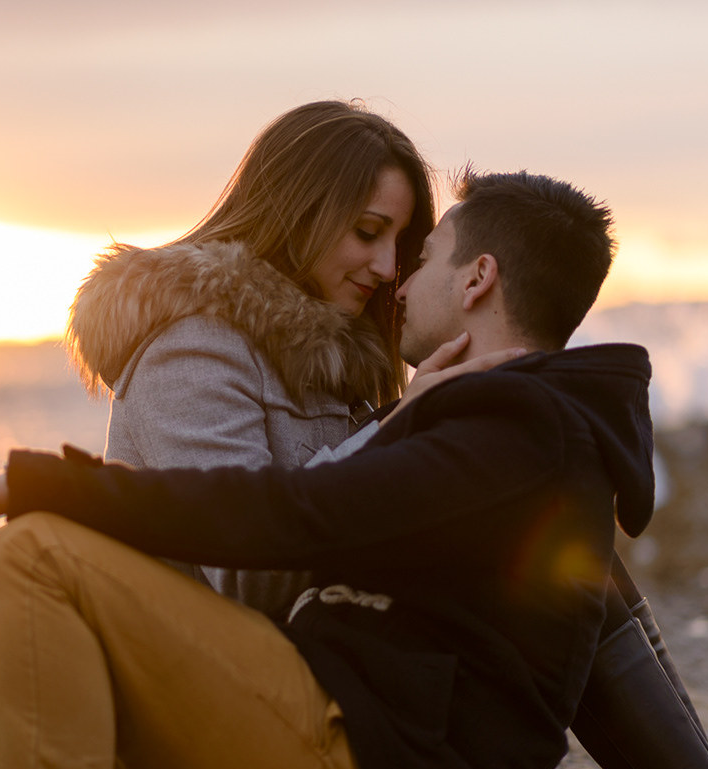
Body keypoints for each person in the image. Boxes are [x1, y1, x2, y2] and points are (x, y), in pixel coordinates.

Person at [0, 168, 657, 769]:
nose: (398, 280)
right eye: (379, 243)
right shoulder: (511, 423)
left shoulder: (520, 430)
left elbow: (293, 514)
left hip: (368, 768)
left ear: (478, 278)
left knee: (32, 552)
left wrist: (14, 485)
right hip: (323, 723)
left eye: (423, 256)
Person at [66, 99, 435, 620]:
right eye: (368, 232)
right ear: (297, 211)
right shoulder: (194, 346)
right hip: (187, 673)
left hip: (297, 671)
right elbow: (249, 572)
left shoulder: (338, 362)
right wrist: (404, 424)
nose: (387, 266)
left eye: (401, 244)